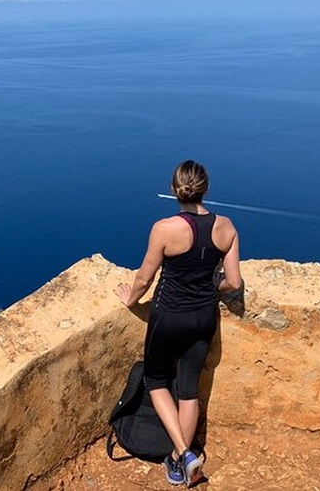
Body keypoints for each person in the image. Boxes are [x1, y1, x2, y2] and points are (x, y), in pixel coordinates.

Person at [115, 160, 242, 487]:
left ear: (174, 189)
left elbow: (145, 277)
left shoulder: (164, 228)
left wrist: (130, 299)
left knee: (157, 382)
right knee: (189, 390)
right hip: (203, 318)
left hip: (169, 317)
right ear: (206, 188)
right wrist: (212, 287)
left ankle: (185, 454)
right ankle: (175, 459)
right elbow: (234, 282)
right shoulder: (226, 227)